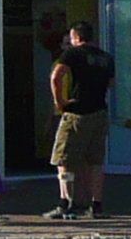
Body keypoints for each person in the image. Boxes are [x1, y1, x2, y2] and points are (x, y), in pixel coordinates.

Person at [44, 20, 116, 221]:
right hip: (99, 112)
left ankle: (64, 201)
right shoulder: (105, 57)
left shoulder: (73, 53)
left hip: (77, 112)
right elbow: (110, 82)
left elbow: (56, 76)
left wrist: (60, 101)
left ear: (76, 36)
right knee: (95, 161)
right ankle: (96, 205)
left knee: (63, 159)